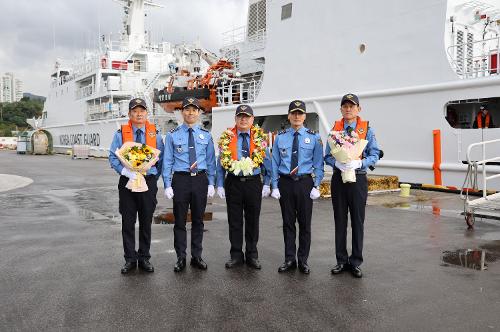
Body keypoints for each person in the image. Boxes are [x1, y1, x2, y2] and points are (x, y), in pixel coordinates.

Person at [325, 93, 380, 278]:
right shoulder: (334, 130)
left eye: (352, 106)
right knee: (340, 221)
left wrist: (360, 163)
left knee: (357, 221)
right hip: (338, 179)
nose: (348, 109)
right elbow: (327, 155)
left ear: (358, 109)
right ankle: (341, 260)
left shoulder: (368, 130)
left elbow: (374, 154)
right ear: (341, 109)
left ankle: (356, 261)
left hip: (358, 179)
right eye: (345, 106)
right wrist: (337, 163)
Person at [109, 97, 164, 274]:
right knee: (128, 222)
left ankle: (145, 257)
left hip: (148, 182)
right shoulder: (120, 134)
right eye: (135, 111)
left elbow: (161, 160)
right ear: (129, 114)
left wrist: (153, 178)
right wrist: (126, 172)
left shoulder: (155, 133)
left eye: (142, 111)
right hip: (127, 182)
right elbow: (112, 157)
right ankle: (130, 259)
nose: (139, 114)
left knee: (146, 221)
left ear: (147, 113)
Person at [163, 97, 216, 272]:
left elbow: (210, 161)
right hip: (181, 180)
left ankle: (196, 256)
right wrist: (167, 184)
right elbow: (168, 161)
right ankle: (180, 257)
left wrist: (211, 183)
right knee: (179, 221)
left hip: (200, 179)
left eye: (194, 109)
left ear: (199, 113)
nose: (191, 112)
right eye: (187, 109)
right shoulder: (172, 135)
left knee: (198, 221)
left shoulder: (206, 136)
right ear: (182, 112)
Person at [271, 100, 324, 274]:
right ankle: (289, 259)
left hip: (304, 183)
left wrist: (317, 185)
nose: (296, 116)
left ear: (305, 116)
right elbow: (275, 162)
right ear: (288, 116)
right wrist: (274, 185)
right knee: (288, 223)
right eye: (293, 113)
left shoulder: (314, 137)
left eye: (300, 113)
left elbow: (318, 164)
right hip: (285, 183)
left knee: (305, 224)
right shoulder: (280, 137)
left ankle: (303, 260)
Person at [216, 105, 272, 270]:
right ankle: (235, 255)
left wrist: (268, 183)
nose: (243, 119)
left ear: (252, 119)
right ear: (235, 119)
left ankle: (252, 255)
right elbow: (220, 164)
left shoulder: (259, 138)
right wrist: (220, 184)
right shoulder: (227, 137)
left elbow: (267, 163)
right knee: (234, 221)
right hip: (233, 182)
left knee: (253, 220)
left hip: (253, 182)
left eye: (247, 116)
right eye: (240, 116)